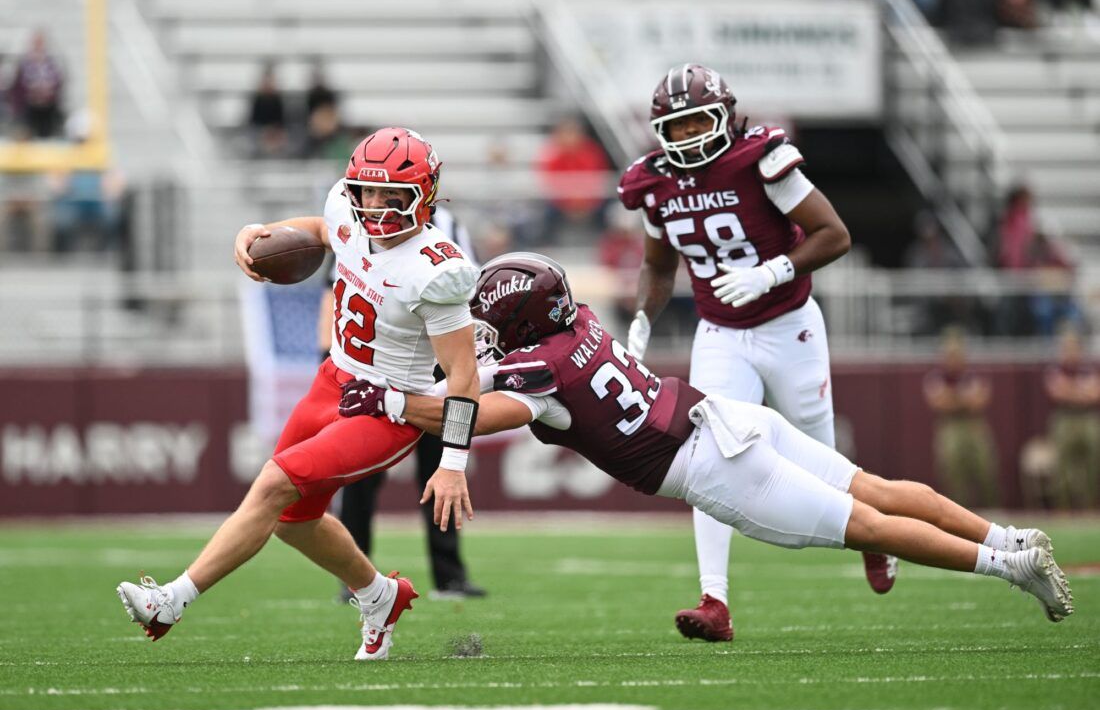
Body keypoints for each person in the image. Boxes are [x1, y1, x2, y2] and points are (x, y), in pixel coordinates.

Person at [339, 253, 1074, 625]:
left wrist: (389, 397)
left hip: (714, 465)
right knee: (877, 488)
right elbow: (498, 369)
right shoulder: (582, 323)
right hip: (727, 415)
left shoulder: (540, 376)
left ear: (526, 324)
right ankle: (1009, 535)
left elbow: (467, 411)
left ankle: (1008, 567)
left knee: (869, 524)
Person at [116, 127, 482, 661]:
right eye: (368, 191)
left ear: (424, 195)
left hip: (385, 408)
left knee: (272, 485)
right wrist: (260, 230)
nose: (375, 206)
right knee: (294, 521)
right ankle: (379, 595)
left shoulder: (439, 270)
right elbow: (318, 229)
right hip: (332, 380)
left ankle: (172, 599)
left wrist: (451, 463)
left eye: (392, 195)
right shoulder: (346, 208)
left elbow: (464, 377)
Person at [618, 63, 895, 645]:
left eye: (699, 120)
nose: (690, 135)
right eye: (678, 125)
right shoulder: (654, 183)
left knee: (821, 451)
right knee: (706, 455)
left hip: (788, 322)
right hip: (719, 331)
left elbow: (834, 233)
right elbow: (657, 265)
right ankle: (713, 598)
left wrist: (773, 271)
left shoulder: (760, 160)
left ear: (723, 116)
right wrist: (643, 316)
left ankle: (875, 536)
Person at [321, 205, 487, 600]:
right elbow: (336, 289)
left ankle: (449, 574)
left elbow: (470, 300)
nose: (384, 202)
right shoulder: (361, 224)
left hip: (434, 366)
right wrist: (327, 355)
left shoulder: (448, 232)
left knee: (442, 469)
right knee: (359, 477)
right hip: (375, 367)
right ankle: (355, 575)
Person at [922, 328, 999, 507]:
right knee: (953, 472)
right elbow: (939, 403)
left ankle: (992, 512)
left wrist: (953, 397)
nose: (953, 359)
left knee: (985, 469)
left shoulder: (974, 375)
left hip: (974, 425)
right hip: (950, 426)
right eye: (949, 354)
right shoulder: (936, 377)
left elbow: (979, 402)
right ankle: (959, 513)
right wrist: (963, 397)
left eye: (957, 354)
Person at [1044, 326, 1100, 508]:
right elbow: (1057, 392)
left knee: (1093, 464)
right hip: (1064, 419)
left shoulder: (1089, 369)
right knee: (1063, 467)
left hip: (1087, 418)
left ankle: (1091, 508)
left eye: (1073, 347)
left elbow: (1095, 394)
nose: (1070, 352)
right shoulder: (1055, 370)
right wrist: (1081, 390)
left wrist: (1070, 389)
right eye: (1066, 348)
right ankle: (1064, 508)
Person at [8, 29, 64, 139]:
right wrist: (33, 91)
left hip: (47, 106)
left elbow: (57, 81)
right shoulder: (24, 63)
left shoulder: (50, 63)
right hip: (28, 106)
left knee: (48, 123)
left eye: (40, 42)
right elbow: (18, 86)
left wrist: (47, 90)